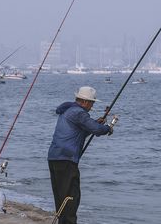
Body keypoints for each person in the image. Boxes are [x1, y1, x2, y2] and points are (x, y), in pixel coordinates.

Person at [48, 86, 113, 224]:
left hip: (55, 158)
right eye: (92, 103)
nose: (92, 106)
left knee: (61, 197)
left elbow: (82, 132)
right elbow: (96, 130)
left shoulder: (68, 111)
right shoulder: (79, 113)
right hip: (66, 159)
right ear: (85, 102)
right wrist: (107, 128)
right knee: (71, 197)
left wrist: (96, 123)